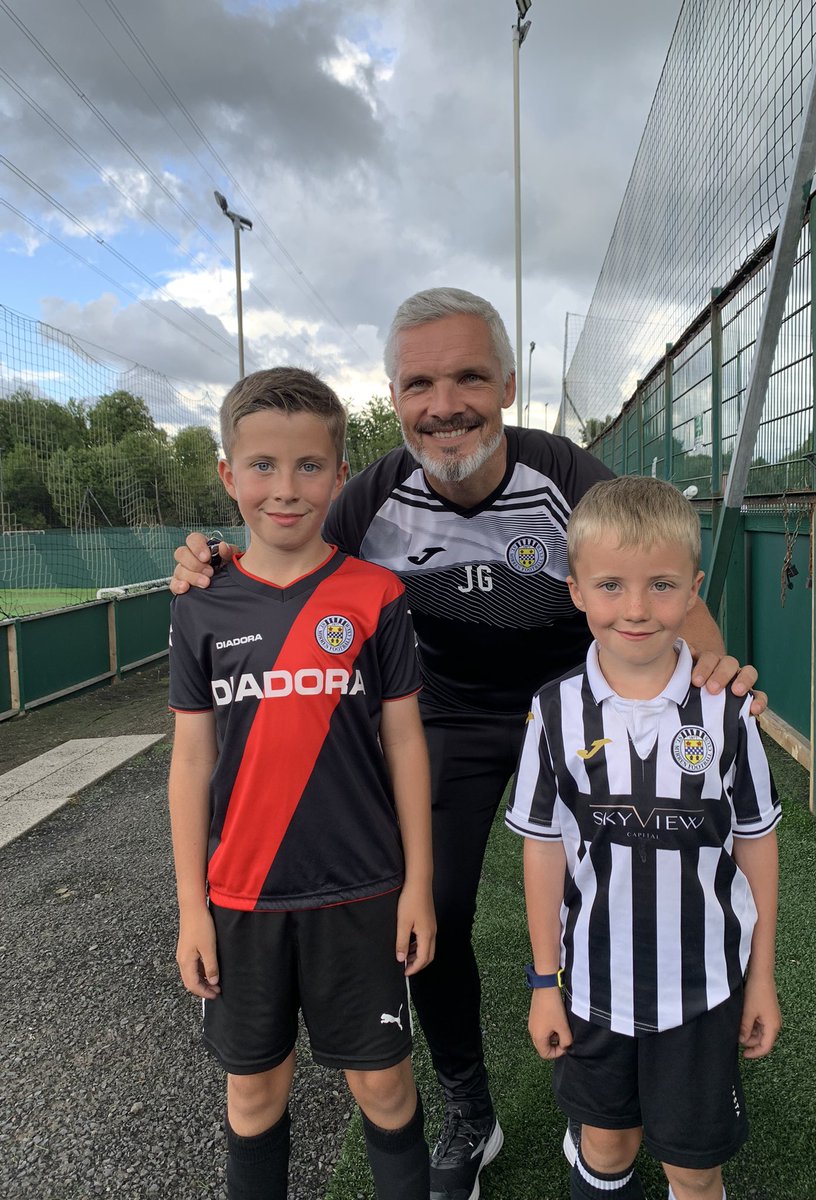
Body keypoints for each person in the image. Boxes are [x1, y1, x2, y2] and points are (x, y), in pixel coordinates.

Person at [171, 288, 767, 1200]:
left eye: (469, 378)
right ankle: (469, 1109)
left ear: (509, 388)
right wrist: (210, 563)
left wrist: (714, 674)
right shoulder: (370, 495)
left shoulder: (567, 476)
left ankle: (623, 1072)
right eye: (419, 384)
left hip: (576, 710)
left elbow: (662, 578)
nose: (444, 404)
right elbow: (285, 551)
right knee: (434, 910)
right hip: (445, 718)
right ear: (394, 398)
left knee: (638, 872)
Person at [167, 367, 435, 1200]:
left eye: (309, 465)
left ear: (339, 474)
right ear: (228, 474)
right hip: (242, 899)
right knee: (253, 1093)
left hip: (362, 892)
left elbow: (405, 743)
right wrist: (191, 908)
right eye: (262, 465)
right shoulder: (199, 603)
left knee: (383, 1085)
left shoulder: (376, 595)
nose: (285, 488)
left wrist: (418, 885)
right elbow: (190, 761)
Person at [506, 475, 781, 1200]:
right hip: (593, 985)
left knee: (693, 1167)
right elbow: (542, 848)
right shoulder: (553, 713)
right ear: (576, 591)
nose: (635, 609)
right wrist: (543, 983)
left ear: (692, 591)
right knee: (606, 1144)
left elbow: (756, 841)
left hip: (703, 989)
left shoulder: (728, 711)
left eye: (660, 585)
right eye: (611, 586)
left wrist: (761, 978)